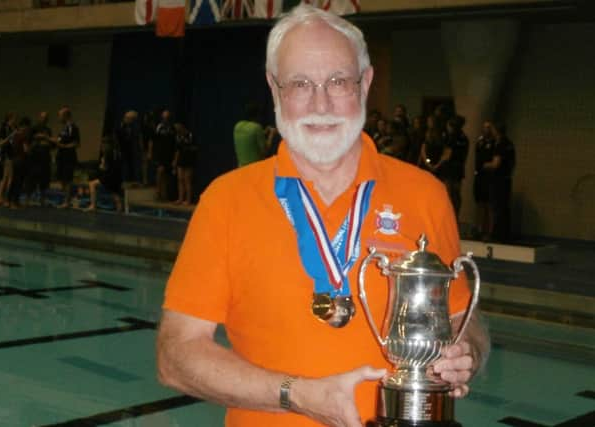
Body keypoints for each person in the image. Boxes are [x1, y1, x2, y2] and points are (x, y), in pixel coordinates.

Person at [157, 6, 489, 427]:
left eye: (338, 81)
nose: (321, 103)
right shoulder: (226, 201)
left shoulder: (425, 194)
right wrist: (295, 395)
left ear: (365, 84)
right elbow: (176, 355)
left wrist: (468, 352)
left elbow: (463, 315)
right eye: (300, 84)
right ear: (274, 89)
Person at [483, 122, 515, 242]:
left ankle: (496, 234)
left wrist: (486, 165)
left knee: (496, 207)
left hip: (498, 180)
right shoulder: (509, 143)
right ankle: (505, 234)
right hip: (507, 178)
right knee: (504, 207)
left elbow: (496, 163)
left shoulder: (500, 144)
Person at [441, 115, 469, 219]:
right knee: (456, 195)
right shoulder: (464, 138)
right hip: (459, 169)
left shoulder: (451, 138)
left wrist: (438, 164)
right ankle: (455, 216)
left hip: (450, 170)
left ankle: (449, 217)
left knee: (449, 194)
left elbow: (446, 155)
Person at [85, 136, 123, 213]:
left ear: (108, 144)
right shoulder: (116, 152)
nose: (102, 146)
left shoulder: (108, 154)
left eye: (103, 144)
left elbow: (104, 168)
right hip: (117, 177)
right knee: (114, 191)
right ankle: (119, 207)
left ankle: (93, 205)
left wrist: (101, 165)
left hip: (110, 177)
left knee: (92, 184)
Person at [25, 112, 53, 206]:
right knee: (32, 178)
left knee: (44, 180)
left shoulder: (48, 130)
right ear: (39, 118)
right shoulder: (33, 128)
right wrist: (37, 138)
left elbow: (51, 143)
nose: (44, 119)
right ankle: (28, 199)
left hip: (45, 158)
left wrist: (47, 140)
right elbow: (28, 140)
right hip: (34, 157)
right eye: (42, 117)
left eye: (46, 118)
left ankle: (42, 199)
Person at [473, 121, 495, 240]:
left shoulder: (494, 142)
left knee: (489, 205)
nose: (485, 130)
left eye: (488, 127)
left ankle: (489, 231)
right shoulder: (479, 141)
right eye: (484, 127)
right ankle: (479, 228)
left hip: (489, 177)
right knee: (480, 203)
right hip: (479, 176)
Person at [55, 107, 80, 208]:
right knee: (61, 179)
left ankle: (67, 201)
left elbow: (76, 143)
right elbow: (59, 140)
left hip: (68, 157)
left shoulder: (73, 127)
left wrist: (65, 147)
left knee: (67, 179)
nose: (59, 118)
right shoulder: (64, 128)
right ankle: (67, 199)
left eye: (60, 116)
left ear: (66, 116)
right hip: (61, 156)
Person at [149, 110, 176, 201]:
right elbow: (152, 140)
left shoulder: (172, 128)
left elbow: (175, 143)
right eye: (164, 117)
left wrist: (174, 158)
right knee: (160, 172)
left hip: (169, 154)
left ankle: (164, 195)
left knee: (165, 176)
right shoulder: (159, 127)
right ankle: (158, 193)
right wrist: (150, 152)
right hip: (160, 154)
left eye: (167, 117)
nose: (165, 119)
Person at [7, 117, 31, 209]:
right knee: (18, 182)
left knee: (14, 181)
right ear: (26, 126)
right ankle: (14, 202)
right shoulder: (24, 135)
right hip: (21, 160)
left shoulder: (16, 134)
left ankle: (9, 200)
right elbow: (26, 149)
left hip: (15, 159)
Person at [233, 103, 267, 167]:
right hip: (255, 168)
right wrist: (272, 133)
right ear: (257, 115)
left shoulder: (237, 126)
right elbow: (265, 151)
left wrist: (264, 132)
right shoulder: (257, 127)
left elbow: (249, 135)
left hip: (241, 168)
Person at [172, 123, 197, 205]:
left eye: (178, 128)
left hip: (188, 160)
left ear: (182, 127)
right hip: (180, 160)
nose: (177, 130)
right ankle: (180, 198)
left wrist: (188, 149)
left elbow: (194, 148)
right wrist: (175, 161)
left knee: (187, 180)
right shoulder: (178, 137)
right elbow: (177, 150)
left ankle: (188, 200)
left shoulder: (190, 135)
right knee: (180, 179)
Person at [0, 112, 17, 206]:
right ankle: (4, 198)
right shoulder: (4, 129)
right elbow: (1, 143)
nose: (15, 121)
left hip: (11, 155)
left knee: (5, 177)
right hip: (7, 156)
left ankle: (0, 198)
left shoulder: (11, 128)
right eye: (14, 119)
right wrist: (11, 136)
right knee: (8, 178)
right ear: (10, 119)